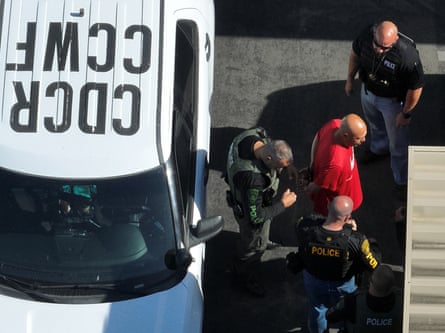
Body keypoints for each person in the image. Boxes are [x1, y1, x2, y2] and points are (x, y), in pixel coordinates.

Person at [345, 20, 425, 199]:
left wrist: (405, 113)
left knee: (398, 142)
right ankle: (379, 148)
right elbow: (355, 55)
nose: (380, 50)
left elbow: (416, 87)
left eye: (385, 47)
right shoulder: (366, 37)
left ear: (395, 39)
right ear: (374, 33)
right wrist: (350, 79)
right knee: (374, 125)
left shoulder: (406, 55)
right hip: (368, 91)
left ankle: (402, 179)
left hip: (392, 102)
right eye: (378, 45)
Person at [289, 195, 380, 333]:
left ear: (327, 207)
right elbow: (374, 264)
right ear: (348, 216)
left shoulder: (305, 228)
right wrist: (366, 240)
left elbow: (303, 226)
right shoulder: (356, 240)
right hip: (343, 284)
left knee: (317, 308)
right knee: (347, 309)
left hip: (314, 280)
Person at [226, 127, 298, 296]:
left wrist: (288, 165)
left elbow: (275, 149)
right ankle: (244, 274)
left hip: (253, 200)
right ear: (268, 158)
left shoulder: (252, 136)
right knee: (252, 247)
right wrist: (282, 204)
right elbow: (256, 217)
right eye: (279, 167)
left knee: (260, 238)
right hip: (250, 212)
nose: (280, 170)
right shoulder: (252, 179)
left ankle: (262, 242)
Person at [306, 114, 367, 216]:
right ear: (345, 136)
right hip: (341, 202)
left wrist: (312, 164)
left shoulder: (335, 124)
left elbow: (318, 136)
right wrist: (306, 185)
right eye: (359, 138)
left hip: (350, 188)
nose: (363, 140)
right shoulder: (335, 165)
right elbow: (315, 187)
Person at [326, 264, 402, 333]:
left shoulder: (353, 301)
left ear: (370, 281)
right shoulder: (403, 304)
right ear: (392, 286)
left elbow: (330, 316)